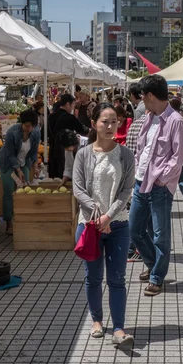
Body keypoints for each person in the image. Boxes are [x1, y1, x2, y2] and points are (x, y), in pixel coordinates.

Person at [73, 103, 135, 347]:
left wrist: (108, 216)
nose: (110, 126)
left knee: (117, 279)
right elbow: (78, 189)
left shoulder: (125, 154)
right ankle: (96, 320)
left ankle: (119, 328)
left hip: (117, 225)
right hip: (89, 225)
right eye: (104, 122)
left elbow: (127, 189)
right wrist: (97, 215)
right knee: (93, 277)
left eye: (114, 121)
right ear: (94, 124)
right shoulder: (84, 154)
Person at [130, 74, 183, 297]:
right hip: (140, 181)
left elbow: (178, 157)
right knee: (135, 230)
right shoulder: (149, 117)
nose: (141, 100)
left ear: (150, 95)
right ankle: (153, 263)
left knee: (160, 235)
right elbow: (142, 148)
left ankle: (157, 277)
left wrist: (162, 179)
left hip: (159, 185)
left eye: (143, 95)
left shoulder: (176, 121)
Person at [0, 110, 41, 234]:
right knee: (9, 192)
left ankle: (22, 219)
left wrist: (35, 167)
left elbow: (34, 151)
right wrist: (17, 170)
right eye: (27, 126)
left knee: (24, 189)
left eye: (32, 126)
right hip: (7, 163)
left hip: (24, 162)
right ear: (22, 124)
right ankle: (9, 222)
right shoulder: (12, 132)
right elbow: (10, 154)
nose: (30, 129)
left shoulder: (36, 132)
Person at [48, 94, 89, 179]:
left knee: (53, 180)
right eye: (73, 104)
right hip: (66, 150)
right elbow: (83, 129)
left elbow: (44, 133)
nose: (73, 107)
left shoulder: (51, 116)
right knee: (65, 175)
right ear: (67, 104)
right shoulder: (69, 117)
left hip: (52, 150)